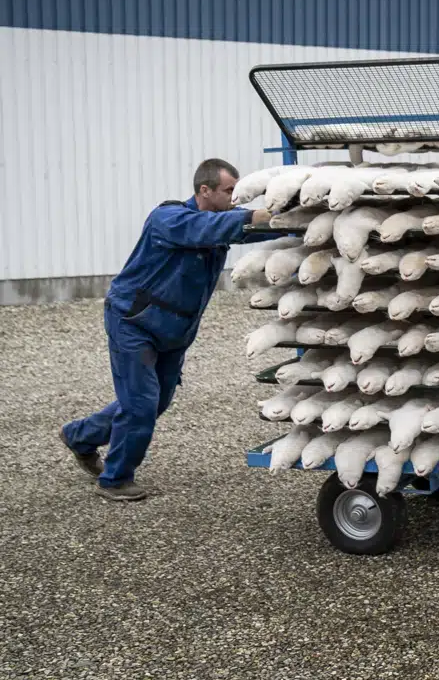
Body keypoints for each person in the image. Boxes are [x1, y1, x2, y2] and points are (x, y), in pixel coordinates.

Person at [60, 159, 277, 501]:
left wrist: (298, 222)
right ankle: (115, 479)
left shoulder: (217, 223)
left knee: (154, 402)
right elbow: (209, 228)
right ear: (204, 190)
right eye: (228, 191)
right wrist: (254, 217)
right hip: (134, 322)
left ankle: (80, 437)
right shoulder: (169, 218)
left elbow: (242, 228)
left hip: (175, 331)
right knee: (141, 404)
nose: (237, 198)